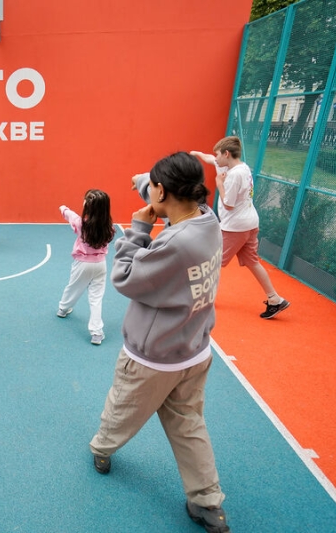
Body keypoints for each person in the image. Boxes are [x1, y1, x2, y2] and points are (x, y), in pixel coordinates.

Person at [89, 152, 230, 533]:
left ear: (163, 191)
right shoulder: (208, 219)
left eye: (152, 187)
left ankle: (102, 448)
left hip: (153, 358)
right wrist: (145, 182)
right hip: (194, 350)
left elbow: (125, 277)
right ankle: (208, 501)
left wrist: (137, 228)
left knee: (123, 408)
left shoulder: (175, 245)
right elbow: (167, 202)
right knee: (189, 425)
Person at [192, 136, 290, 319]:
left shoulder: (233, 176)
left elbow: (228, 204)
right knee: (252, 261)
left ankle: (204, 298)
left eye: (218, 154)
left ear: (226, 154)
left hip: (235, 227)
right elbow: (210, 158)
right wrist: (196, 153)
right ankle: (274, 299)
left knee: (212, 261)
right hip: (250, 223)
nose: (215, 158)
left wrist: (219, 184)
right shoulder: (241, 167)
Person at [56, 189, 116, 345]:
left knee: (73, 287)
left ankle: (63, 309)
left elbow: (70, 215)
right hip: (101, 265)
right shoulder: (109, 228)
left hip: (82, 264)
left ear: (87, 206)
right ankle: (97, 333)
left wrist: (63, 208)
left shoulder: (80, 224)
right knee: (96, 298)